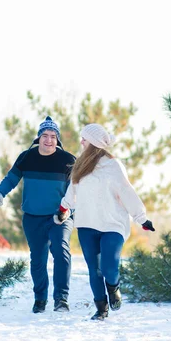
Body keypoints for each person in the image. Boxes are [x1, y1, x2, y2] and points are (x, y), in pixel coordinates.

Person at [54, 123, 155, 321]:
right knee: (94, 269)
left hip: (112, 224)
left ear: (93, 142)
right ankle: (101, 309)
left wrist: (141, 218)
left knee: (109, 267)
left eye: (84, 138)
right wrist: (63, 209)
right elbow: (72, 191)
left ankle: (113, 287)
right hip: (86, 224)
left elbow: (127, 192)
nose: (81, 141)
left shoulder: (113, 166)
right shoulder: (80, 166)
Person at [0, 116, 76, 313]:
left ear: (58, 139)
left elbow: (77, 189)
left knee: (61, 252)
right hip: (33, 217)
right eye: (45, 135)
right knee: (38, 259)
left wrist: (68, 211)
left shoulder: (69, 160)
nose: (49, 140)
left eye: (53, 136)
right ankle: (40, 299)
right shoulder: (26, 157)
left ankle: (61, 299)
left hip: (60, 216)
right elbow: (11, 179)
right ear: (38, 138)